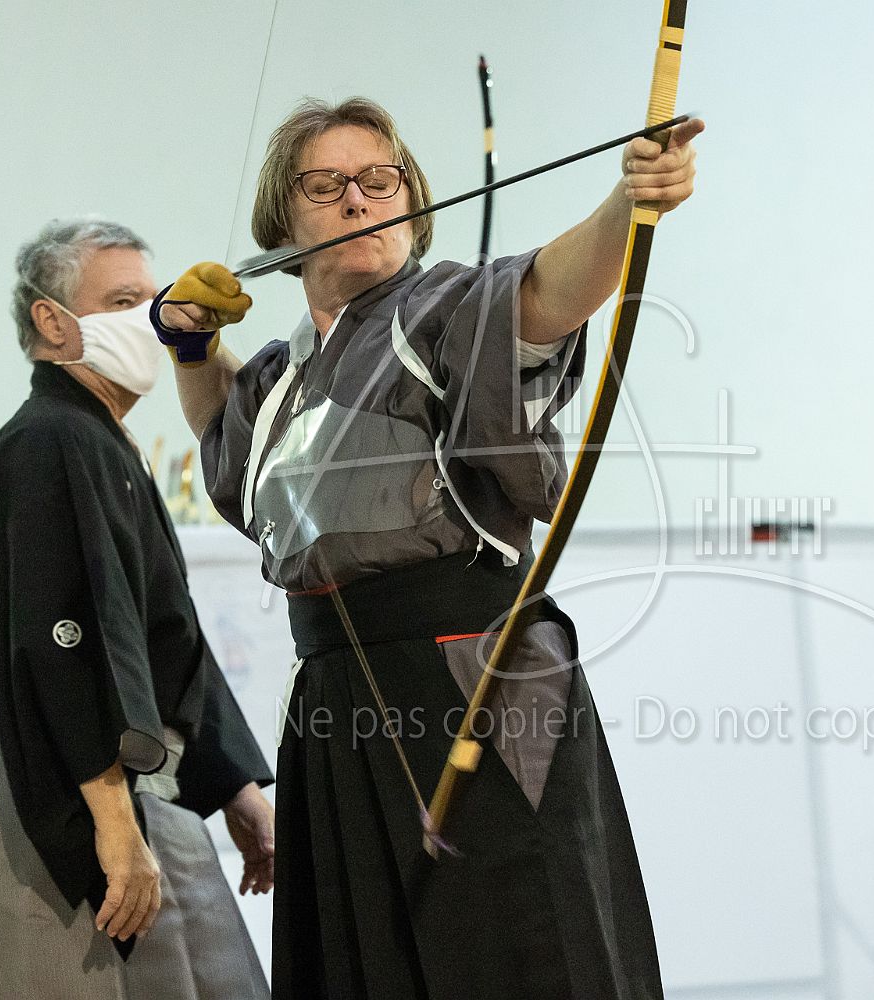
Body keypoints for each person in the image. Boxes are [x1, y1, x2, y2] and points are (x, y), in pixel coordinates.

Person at [149, 96, 701, 999]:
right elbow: (228, 441)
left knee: (517, 951)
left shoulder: (441, 308)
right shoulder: (282, 375)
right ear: (281, 224)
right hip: (335, 695)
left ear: (412, 199)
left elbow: (546, 293)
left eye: (380, 179)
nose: (358, 199)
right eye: (325, 186)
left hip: (467, 673)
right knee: (370, 963)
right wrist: (187, 345)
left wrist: (626, 204)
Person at [0, 218, 275, 999]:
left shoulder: (102, 441)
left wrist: (235, 787)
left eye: (152, 298)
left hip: (125, 772)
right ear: (52, 321)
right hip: (57, 775)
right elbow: (61, 645)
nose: (150, 317)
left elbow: (160, 637)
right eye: (123, 301)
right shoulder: (46, 442)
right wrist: (111, 821)